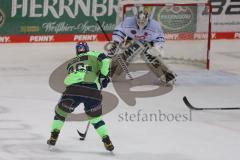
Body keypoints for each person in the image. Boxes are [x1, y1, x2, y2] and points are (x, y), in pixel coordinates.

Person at [47, 41, 114, 151]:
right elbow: (106, 60)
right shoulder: (94, 54)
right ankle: (106, 140)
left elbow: (78, 73)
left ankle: (54, 136)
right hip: (91, 91)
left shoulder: (71, 62)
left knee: (60, 113)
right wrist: (103, 76)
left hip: (73, 90)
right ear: (87, 48)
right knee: (96, 119)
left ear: (77, 51)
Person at [109, 5, 176, 84]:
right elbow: (119, 30)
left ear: (148, 19)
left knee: (151, 57)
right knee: (125, 54)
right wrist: (116, 42)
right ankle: (109, 73)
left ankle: (167, 76)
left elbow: (159, 38)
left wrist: (158, 48)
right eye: (139, 21)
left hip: (148, 42)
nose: (141, 23)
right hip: (132, 40)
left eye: (143, 21)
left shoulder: (154, 26)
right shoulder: (128, 22)